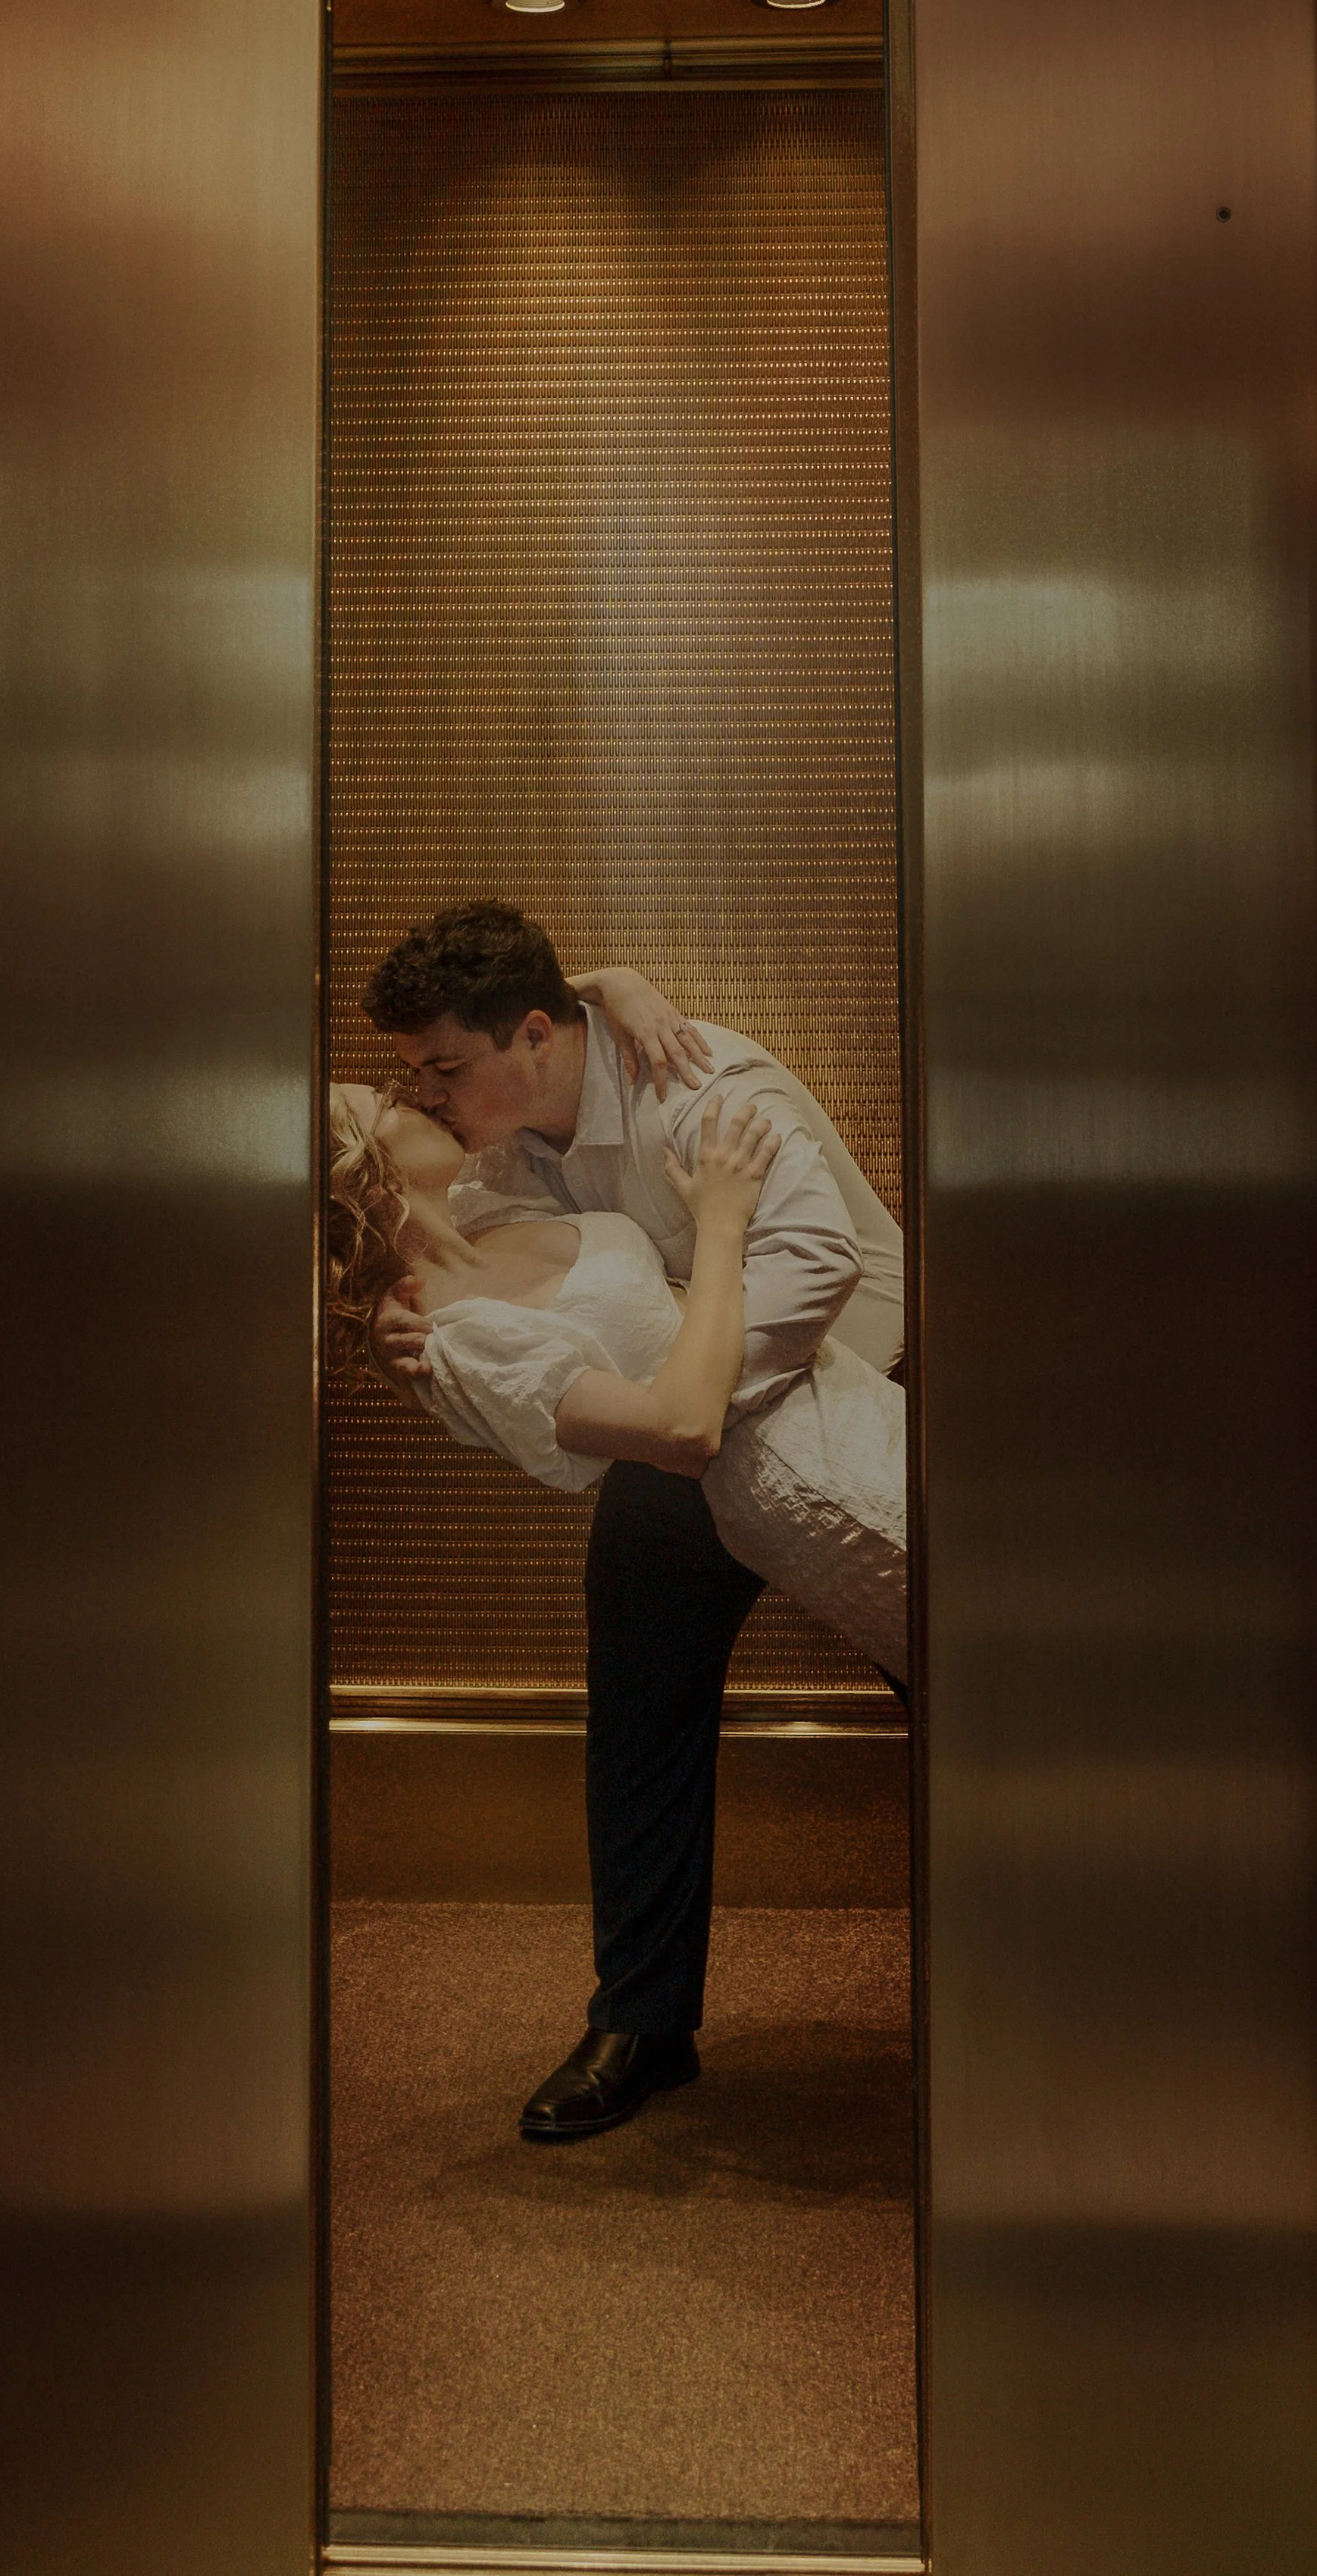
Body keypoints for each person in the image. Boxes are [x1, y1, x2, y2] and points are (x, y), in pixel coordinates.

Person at [349, 905, 906, 2141]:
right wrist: (410, 1339)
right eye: (414, 1070)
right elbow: (493, 1319)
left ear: (536, 1036)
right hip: (690, 1429)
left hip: (864, 1386)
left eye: (443, 1066)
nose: (423, 1092)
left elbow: (815, 1266)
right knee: (639, 1694)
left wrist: (681, 1391)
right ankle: (643, 2018)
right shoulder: (495, 1151)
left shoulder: (698, 1080)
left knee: (959, 1689)